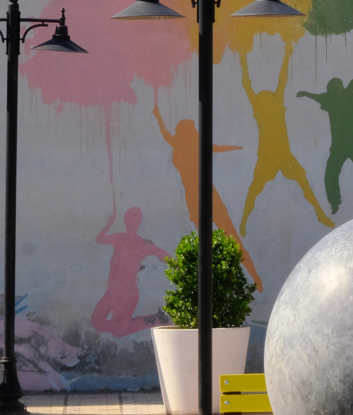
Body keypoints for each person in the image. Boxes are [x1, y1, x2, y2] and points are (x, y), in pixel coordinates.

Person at [152, 103, 262, 290]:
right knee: (223, 243)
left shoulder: (182, 145)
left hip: (201, 199)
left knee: (221, 243)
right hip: (201, 199)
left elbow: (166, 134)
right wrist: (158, 116)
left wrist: (158, 116)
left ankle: (253, 279)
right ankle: (249, 280)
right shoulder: (192, 144)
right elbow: (216, 147)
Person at [239, 42, 335, 235]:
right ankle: (243, 222)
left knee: (299, 182)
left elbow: (276, 79)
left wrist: (287, 53)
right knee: (256, 189)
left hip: (282, 155)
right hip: (269, 156)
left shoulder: (267, 104)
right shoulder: (268, 104)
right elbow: (256, 83)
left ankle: (319, 214)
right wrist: (242, 57)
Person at [296, 40, 353, 215]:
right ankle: (336, 202)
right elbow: (317, 96)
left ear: (341, 88)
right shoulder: (332, 99)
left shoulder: (346, 95)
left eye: (338, 88)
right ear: (332, 91)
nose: (338, 91)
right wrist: (305, 94)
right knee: (332, 176)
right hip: (342, 146)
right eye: (335, 89)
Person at [91, 205, 170, 337]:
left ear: (138, 222)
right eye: (128, 219)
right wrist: (109, 223)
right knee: (98, 322)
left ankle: (154, 320)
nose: (130, 222)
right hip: (112, 291)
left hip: (127, 293)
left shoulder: (143, 244)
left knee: (118, 331)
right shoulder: (119, 238)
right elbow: (99, 239)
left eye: (134, 219)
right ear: (125, 221)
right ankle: (152, 320)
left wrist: (181, 266)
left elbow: (163, 255)